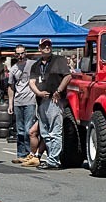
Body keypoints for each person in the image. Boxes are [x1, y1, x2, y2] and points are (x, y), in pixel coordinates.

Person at [28, 38, 72, 170]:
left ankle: (54, 160)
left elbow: (68, 76)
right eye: (44, 45)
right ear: (39, 48)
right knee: (45, 132)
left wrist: (59, 91)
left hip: (54, 100)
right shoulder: (36, 65)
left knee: (55, 131)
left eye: (49, 45)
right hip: (42, 101)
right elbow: (31, 82)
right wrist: (39, 93)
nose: (47, 47)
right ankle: (51, 158)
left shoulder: (59, 60)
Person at [7, 45, 39, 165]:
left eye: (22, 53)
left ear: (26, 53)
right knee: (20, 130)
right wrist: (10, 103)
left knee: (28, 129)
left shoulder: (33, 64)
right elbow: (10, 87)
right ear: (14, 55)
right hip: (18, 101)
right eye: (18, 54)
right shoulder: (13, 69)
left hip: (30, 101)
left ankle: (30, 154)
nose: (20, 56)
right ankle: (21, 154)